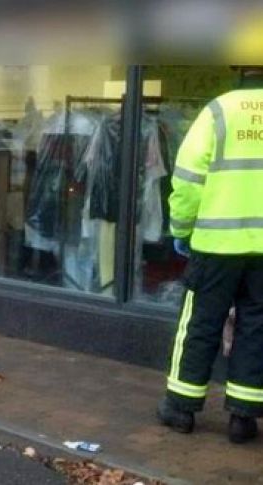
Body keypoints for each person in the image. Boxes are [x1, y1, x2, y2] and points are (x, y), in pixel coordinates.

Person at [157, 66, 263, 444]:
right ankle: (243, 417)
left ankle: (181, 408)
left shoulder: (218, 111)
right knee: (256, 325)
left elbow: (186, 180)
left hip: (217, 244)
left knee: (200, 322)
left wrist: (181, 229)